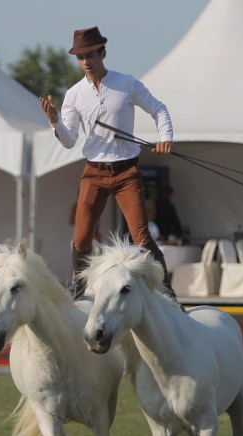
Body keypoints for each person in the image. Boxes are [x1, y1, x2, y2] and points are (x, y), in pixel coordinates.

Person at [40, 26, 175, 300]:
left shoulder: (127, 83)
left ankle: (167, 293)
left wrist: (166, 137)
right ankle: (77, 293)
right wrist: (54, 120)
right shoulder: (75, 94)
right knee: (80, 241)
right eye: (80, 56)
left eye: (90, 54)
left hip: (127, 172)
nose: (86, 61)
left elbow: (158, 109)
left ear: (103, 52)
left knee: (142, 238)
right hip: (94, 173)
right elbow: (69, 140)